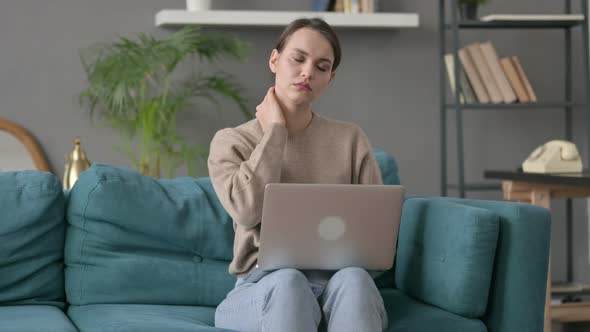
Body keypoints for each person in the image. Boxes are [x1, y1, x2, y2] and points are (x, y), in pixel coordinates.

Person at [208, 17, 387, 332]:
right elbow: (247, 211)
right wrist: (275, 131)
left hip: (338, 287)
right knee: (289, 281)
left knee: (356, 279)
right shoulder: (232, 141)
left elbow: (376, 239)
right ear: (275, 60)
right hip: (263, 286)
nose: (308, 72)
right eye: (298, 58)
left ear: (330, 79)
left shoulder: (351, 139)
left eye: (321, 67)